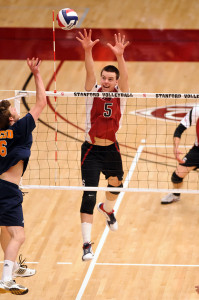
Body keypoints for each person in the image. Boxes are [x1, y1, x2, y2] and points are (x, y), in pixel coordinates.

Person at [76, 29, 129, 261]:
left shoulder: (122, 95)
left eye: (110, 79)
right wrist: (88, 51)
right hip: (90, 150)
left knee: (116, 185)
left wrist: (120, 56)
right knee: (88, 194)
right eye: (104, 78)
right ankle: (86, 245)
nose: (106, 82)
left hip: (111, 149)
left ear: (116, 81)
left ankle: (107, 209)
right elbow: (89, 72)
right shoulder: (92, 92)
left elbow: (126, 79)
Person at [0, 57, 46, 294]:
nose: (14, 107)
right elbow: (40, 103)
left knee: (4, 229)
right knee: (18, 235)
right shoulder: (20, 128)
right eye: (11, 108)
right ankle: (6, 278)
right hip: (8, 190)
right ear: (10, 118)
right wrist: (36, 73)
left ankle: (13, 268)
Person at [161, 105, 199, 204]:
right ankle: (175, 195)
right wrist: (176, 147)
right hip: (197, 151)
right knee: (176, 177)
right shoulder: (197, 110)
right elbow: (179, 130)